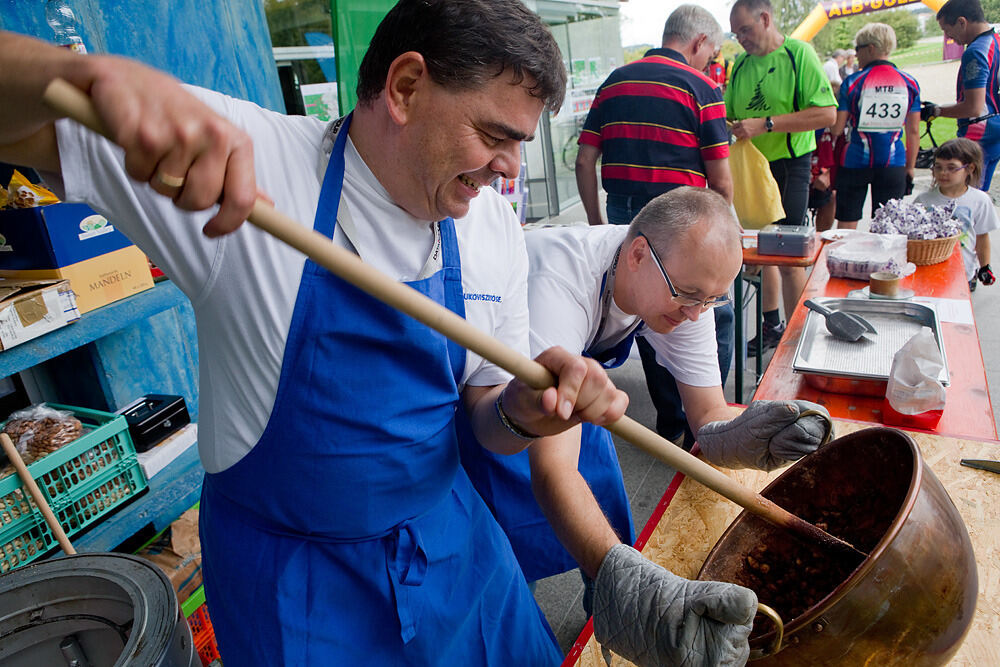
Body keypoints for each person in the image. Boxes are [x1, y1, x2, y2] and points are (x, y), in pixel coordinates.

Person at [0, 2, 635, 663]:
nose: (508, 167)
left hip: (450, 549)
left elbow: (483, 412)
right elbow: (23, 122)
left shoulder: (489, 226)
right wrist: (87, 79)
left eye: (520, 145)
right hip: (298, 589)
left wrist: (522, 412)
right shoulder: (251, 164)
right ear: (406, 87)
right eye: (495, 135)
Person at [459, 187, 832, 663]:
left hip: (579, 390)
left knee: (609, 512)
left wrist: (745, 434)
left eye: (713, 300)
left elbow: (708, 415)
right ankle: (535, 602)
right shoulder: (558, 288)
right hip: (507, 405)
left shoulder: (684, 278)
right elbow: (552, 471)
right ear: (638, 254)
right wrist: (631, 590)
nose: (697, 314)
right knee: (504, 547)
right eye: (690, 296)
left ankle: (600, 611)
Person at [575, 5, 735, 445]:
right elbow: (720, 181)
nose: (710, 60)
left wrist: (596, 225)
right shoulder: (702, 87)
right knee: (700, 311)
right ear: (699, 43)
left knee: (644, 311)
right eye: (712, 51)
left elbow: (585, 159)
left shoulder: (614, 83)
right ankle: (706, 418)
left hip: (625, 214)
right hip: (686, 224)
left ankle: (670, 420)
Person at [726, 0, 837, 355]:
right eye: (735, 33)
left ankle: (799, 337)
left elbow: (827, 114)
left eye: (745, 30)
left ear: (766, 18)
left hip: (790, 165)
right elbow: (728, 115)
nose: (740, 39)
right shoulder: (740, 64)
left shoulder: (798, 54)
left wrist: (767, 124)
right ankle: (772, 324)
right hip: (752, 168)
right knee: (761, 250)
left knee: (788, 255)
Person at [831, 23, 921, 231]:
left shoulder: (853, 82)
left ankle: (842, 263)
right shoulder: (909, 82)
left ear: (870, 48)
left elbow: (837, 129)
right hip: (894, 162)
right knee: (887, 228)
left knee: (846, 224)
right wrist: (910, 167)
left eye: (858, 50)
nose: (856, 55)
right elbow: (913, 131)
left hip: (855, 160)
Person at [926, 0, 1000, 190]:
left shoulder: (975, 52)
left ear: (961, 22)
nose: (947, 36)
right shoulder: (996, 41)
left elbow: (973, 107)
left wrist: (936, 111)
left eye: (946, 29)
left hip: (978, 132)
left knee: (961, 198)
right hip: (994, 128)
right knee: (977, 196)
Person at [914, 138, 997, 292]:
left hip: (964, 272)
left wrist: (985, 266)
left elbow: (982, 237)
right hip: (929, 270)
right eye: (938, 167)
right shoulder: (923, 200)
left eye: (952, 168)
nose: (943, 173)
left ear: (970, 168)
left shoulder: (980, 200)